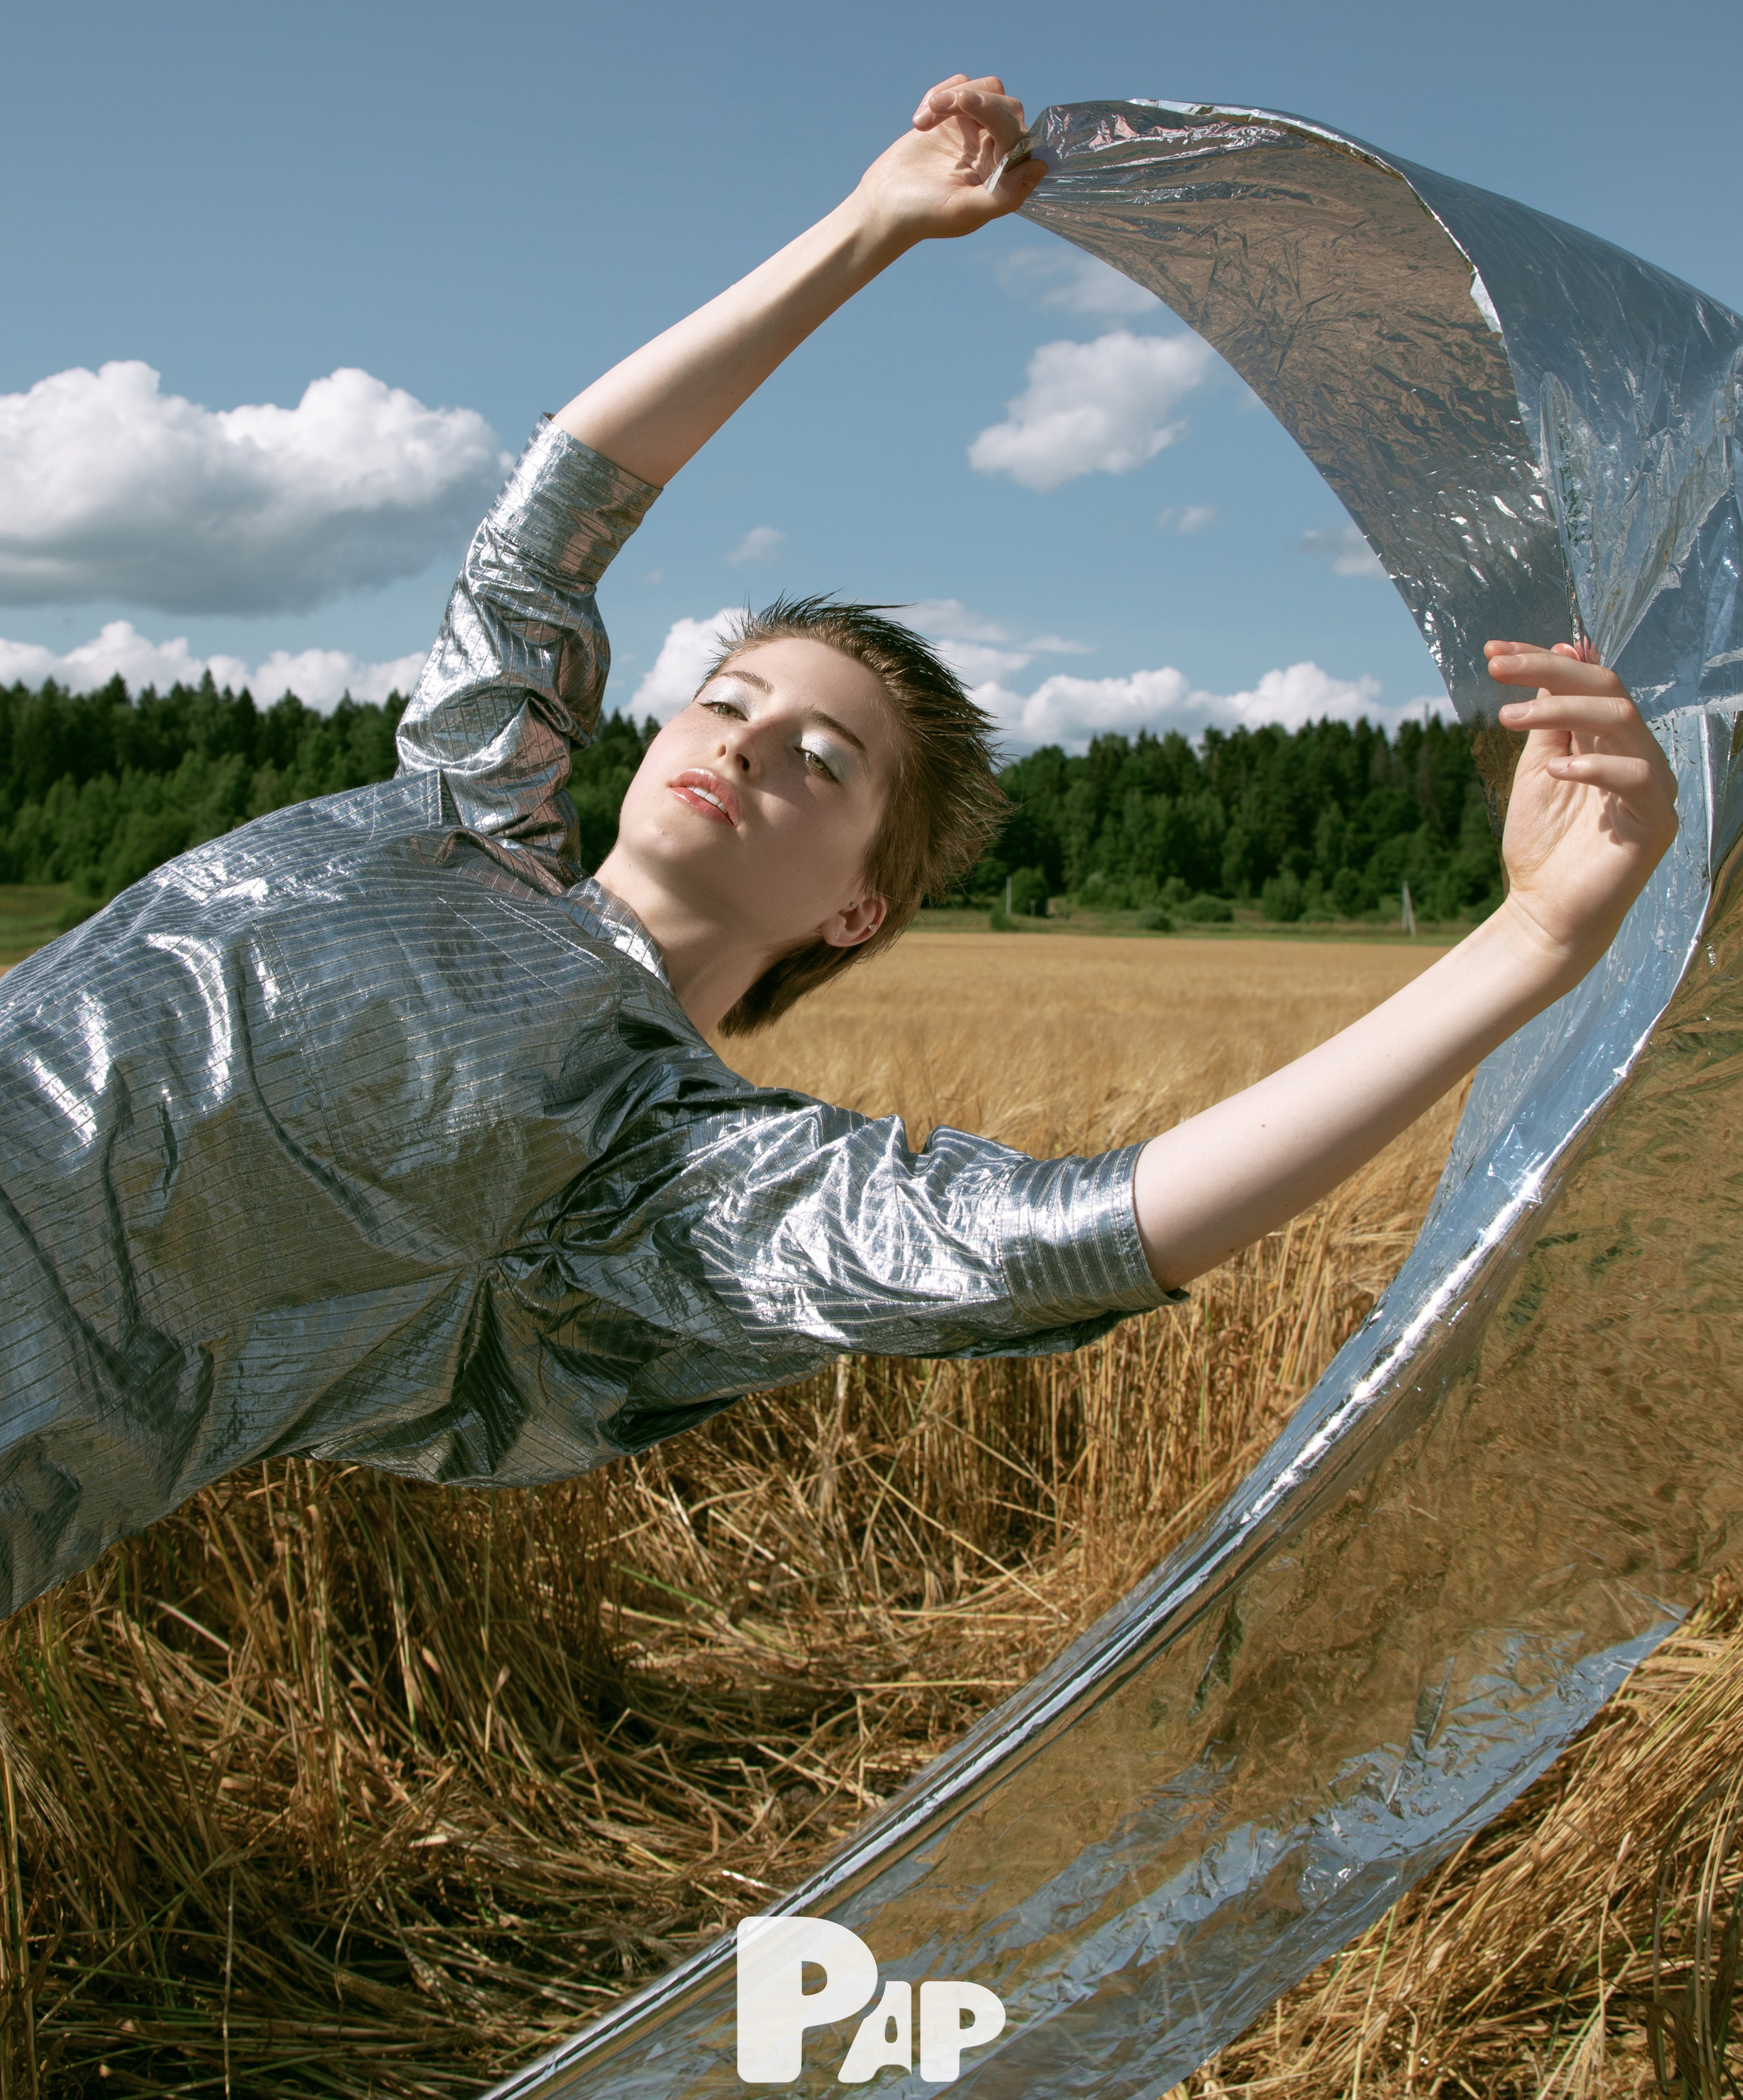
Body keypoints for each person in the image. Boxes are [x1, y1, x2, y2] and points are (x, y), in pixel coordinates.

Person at [0, 78, 1676, 1619]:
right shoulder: (453, 812)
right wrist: (866, 229)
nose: (738, 737)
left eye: (820, 755)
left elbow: (1079, 1234)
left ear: (859, 906)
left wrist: (1527, 945)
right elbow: (561, 501)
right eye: (724, 698)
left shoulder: (665, 1175)